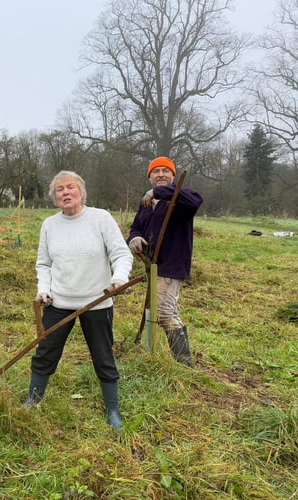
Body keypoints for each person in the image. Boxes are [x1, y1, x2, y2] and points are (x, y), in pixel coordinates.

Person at [24, 170, 133, 430]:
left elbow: (121, 255)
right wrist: (44, 289)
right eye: (59, 189)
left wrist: (119, 278)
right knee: (45, 352)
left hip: (97, 302)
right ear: (54, 197)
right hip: (59, 302)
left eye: (70, 187)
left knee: (103, 356)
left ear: (81, 191)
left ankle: (112, 410)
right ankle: (33, 398)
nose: (65, 193)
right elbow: (44, 263)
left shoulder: (100, 219)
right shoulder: (49, 225)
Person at [128, 156, 203, 366]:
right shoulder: (146, 203)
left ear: (173, 175)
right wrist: (134, 238)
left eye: (165, 171)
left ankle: (184, 362)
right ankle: (153, 354)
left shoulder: (181, 199)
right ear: (150, 176)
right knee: (160, 310)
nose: (160, 174)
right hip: (152, 264)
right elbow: (136, 227)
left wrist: (158, 192)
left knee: (163, 313)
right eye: (156, 171)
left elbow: (196, 201)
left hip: (171, 264)